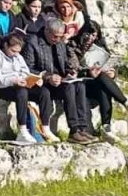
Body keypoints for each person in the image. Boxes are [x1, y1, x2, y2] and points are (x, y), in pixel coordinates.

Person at [25, 16, 96, 144]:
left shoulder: (60, 43)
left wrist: (71, 71)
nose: (57, 39)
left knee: (79, 85)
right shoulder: (32, 42)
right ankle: (74, 130)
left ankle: (82, 128)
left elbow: (64, 63)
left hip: (60, 80)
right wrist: (47, 76)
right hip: (43, 83)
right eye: (54, 36)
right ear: (46, 30)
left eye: (60, 36)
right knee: (69, 88)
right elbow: (27, 68)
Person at [73, 19, 127, 139]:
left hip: (97, 83)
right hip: (81, 84)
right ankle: (126, 103)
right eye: (88, 34)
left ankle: (106, 127)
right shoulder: (74, 46)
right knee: (101, 78)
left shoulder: (100, 47)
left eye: (93, 35)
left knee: (103, 84)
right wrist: (87, 72)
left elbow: (108, 64)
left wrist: (113, 73)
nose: (90, 38)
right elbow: (72, 70)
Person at [0, 32, 39, 144]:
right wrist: (12, 80)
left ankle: (44, 128)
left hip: (17, 84)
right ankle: (22, 130)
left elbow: (25, 71)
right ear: (5, 45)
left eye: (18, 52)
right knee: (22, 92)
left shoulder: (18, 57)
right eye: (13, 51)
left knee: (43, 92)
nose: (15, 54)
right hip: (1, 87)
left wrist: (27, 78)